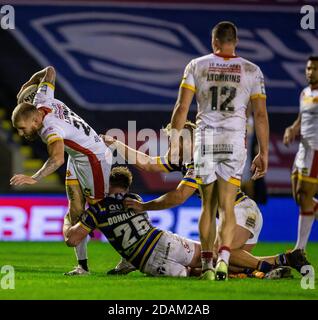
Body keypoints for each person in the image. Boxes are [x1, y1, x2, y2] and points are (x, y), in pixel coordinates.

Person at [101, 122, 308, 277]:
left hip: (241, 211)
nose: (171, 145)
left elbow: (179, 196)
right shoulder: (184, 159)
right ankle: (285, 260)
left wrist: (143, 206)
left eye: (175, 140)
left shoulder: (200, 160)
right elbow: (147, 163)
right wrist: (116, 143)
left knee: (218, 253)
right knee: (233, 265)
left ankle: (268, 267)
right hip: (240, 213)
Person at [168, 21, 269, 280]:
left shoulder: (196, 65)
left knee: (207, 206)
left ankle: (208, 267)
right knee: (226, 206)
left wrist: (174, 140)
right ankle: (224, 257)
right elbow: (260, 115)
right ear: (235, 42)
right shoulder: (252, 70)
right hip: (234, 142)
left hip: (205, 140)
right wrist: (264, 152)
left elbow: (182, 107)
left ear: (214, 42)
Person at [10, 66, 113, 275]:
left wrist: (34, 178)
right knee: (75, 208)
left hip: (95, 159)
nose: (22, 133)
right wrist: (30, 82)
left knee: (102, 213)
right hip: (78, 157)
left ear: (36, 120)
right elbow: (50, 71)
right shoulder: (42, 99)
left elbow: (56, 159)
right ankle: (82, 267)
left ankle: (128, 257)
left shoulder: (50, 129)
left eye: (23, 128)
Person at [65, 166, 202, 277]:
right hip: (164, 241)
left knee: (192, 274)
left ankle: (128, 262)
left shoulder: (97, 210)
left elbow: (72, 240)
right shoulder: (135, 198)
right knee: (209, 257)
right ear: (127, 186)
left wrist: (67, 219)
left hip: (148, 262)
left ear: (107, 184)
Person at [283, 56, 318, 262]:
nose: (310, 72)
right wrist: (292, 129)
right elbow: (301, 118)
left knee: (305, 194)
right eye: (308, 68)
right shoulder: (304, 93)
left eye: (314, 68)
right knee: (299, 196)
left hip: (316, 150)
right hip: (302, 150)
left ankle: (300, 249)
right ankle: (299, 249)